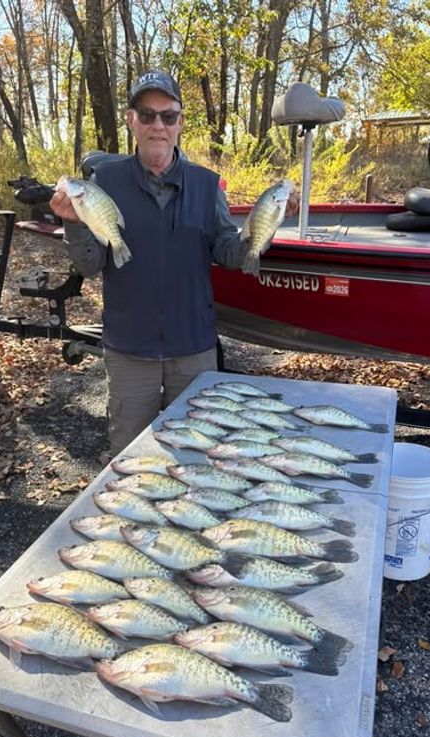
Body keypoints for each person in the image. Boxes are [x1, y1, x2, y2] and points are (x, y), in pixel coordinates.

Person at [50, 70, 299, 461]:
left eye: (168, 116)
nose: (158, 126)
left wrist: (265, 224)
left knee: (197, 458)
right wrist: (73, 223)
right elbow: (90, 265)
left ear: (180, 122)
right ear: (131, 120)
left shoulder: (206, 185)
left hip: (193, 349)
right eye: (147, 115)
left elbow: (228, 253)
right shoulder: (104, 182)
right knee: (131, 459)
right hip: (130, 351)